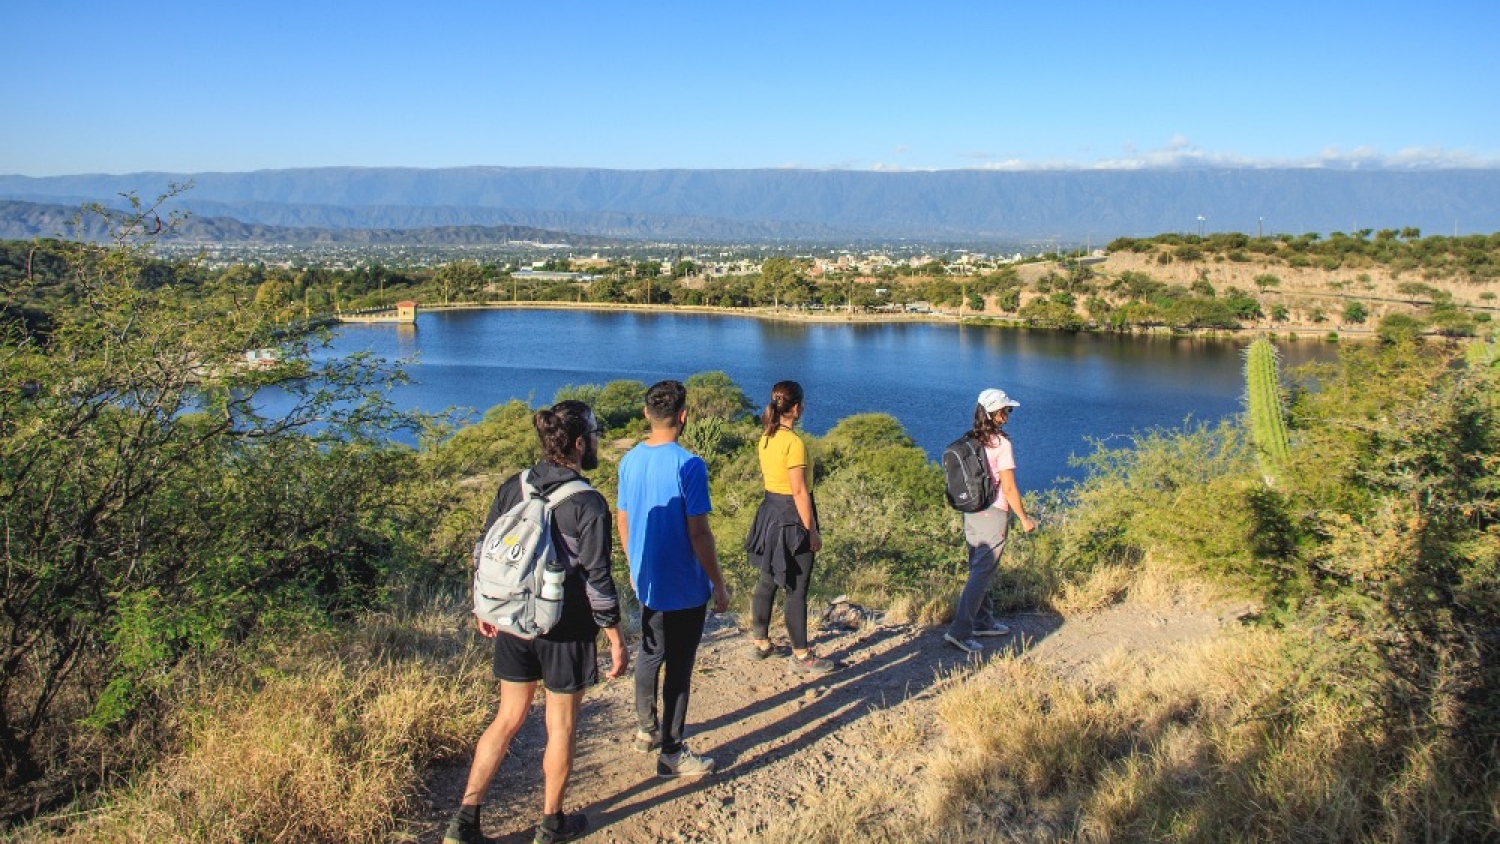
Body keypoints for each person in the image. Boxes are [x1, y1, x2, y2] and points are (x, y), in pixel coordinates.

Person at [443, 400, 628, 844]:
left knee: (507, 717)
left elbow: (484, 548)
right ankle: (551, 823)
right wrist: (615, 636)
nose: (596, 443)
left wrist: (483, 605)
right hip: (566, 626)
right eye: (594, 437)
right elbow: (598, 578)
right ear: (579, 443)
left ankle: (464, 821)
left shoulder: (515, 485)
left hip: (512, 619)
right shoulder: (588, 502)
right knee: (560, 725)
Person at [615, 380, 732, 778]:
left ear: (646, 413)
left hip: (647, 579)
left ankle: (646, 729)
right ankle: (672, 752)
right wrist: (718, 584)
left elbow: (623, 520)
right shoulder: (689, 464)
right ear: (683, 416)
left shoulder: (629, 460)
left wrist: (634, 566)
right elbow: (699, 532)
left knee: (651, 653)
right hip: (684, 584)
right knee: (679, 666)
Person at [744, 380, 837, 675]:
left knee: (768, 578)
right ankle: (801, 655)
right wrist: (811, 531)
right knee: (797, 587)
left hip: (770, 512)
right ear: (796, 408)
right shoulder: (794, 443)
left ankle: (760, 642)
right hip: (791, 517)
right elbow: (798, 491)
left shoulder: (767, 437)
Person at [944, 388, 1036, 654]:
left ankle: (983, 621)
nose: (1008, 414)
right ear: (997, 413)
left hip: (972, 511)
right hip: (993, 513)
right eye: (1007, 410)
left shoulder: (972, 439)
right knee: (982, 573)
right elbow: (1009, 487)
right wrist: (1024, 518)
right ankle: (960, 632)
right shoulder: (1001, 444)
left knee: (979, 568)